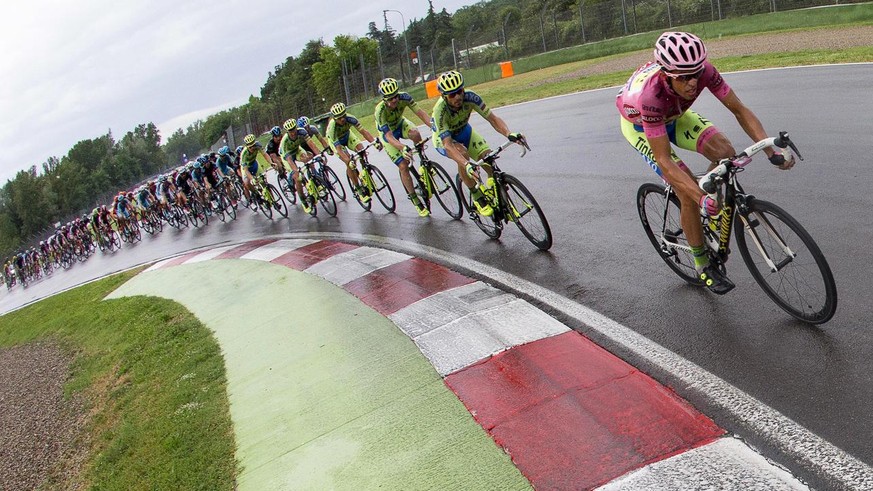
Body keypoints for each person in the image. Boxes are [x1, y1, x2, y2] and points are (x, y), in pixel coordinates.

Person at [616, 31, 794, 295]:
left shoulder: (704, 71)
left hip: (675, 115)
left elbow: (739, 109)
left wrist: (770, 149)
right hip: (642, 125)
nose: (692, 83)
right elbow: (664, 160)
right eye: (684, 77)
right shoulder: (650, 98)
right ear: (666, 75)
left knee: (725, 151)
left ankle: (704, 198)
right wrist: (698, 197)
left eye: (696, 74)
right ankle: (702, 265)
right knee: (685, 191)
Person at [431, 70, 525, 217]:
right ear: (444, 96)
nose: (458, 97)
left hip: (464, 131)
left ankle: (501, 199)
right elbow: (448, 145)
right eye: (452, 95)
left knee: (488, 158)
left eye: (459, 91)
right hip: (444, 140)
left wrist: (509, 133)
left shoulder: (471, 97)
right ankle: (476, 195)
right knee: (463, 155)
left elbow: (493, 119)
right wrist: (467, 165)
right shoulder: (440, 111)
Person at [375, 77, 434, 217]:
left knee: (415, 133)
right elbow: (389, 136)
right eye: (390, 99)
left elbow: (420, 113)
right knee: (403, 165)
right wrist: (403, 147)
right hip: (388, 134)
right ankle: (414, 198)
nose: (394, 100)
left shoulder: (405, 97)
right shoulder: (380, 111)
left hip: (400, 124)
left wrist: (435, 128)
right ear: (384, 99)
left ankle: (423, 162)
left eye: (395, 96)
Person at [325, 102, 382, 203]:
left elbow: (363, 132)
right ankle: (359, 189)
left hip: (347, 135)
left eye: (343, 116)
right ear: (334, 118)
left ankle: (365, 172)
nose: (342, 119)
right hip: (336, 142)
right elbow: (338, 149)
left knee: (361, 149)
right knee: (349, 162)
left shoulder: (351, 118)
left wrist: (374, 142)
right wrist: (348, 161)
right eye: (339, 118)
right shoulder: (332, 127)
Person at [279, 118, 322, 213]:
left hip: (297, 150)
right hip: (287, 155)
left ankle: (315, 180)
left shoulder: (302, 132)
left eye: (294, 129)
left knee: (309, 159)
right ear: (287, 132)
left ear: (296, 127)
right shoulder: (284, 141)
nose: (293, 133)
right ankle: (303, 201)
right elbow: (289, 160)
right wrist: (295, 170)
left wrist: (318, 155)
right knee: (297, 177)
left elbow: (311, 144)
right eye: (290, 131)